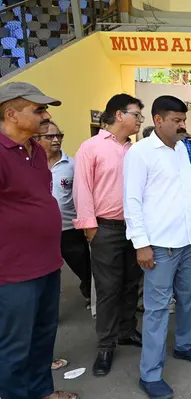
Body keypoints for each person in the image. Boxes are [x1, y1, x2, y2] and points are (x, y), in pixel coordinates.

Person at [124, 96, 191, 399]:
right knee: (157, 310)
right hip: (159, 246)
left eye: (183, 120)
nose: (182, 126)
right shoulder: (140, 153)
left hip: (187, 242)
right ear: (158, 120)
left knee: (188, 299)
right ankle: (149, 374)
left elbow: (187, 194)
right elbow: (132, 202)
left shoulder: (181, 150)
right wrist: (141, 245)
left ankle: (185, 346)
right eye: (176, 120)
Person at [0, 82, 79, 399]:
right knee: (14, 346)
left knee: (43, 337)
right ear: (11, 114)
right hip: (13, 272)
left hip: (47, 264)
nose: (46, 116)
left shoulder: (36, 152)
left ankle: (41, 392)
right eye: (38, 110)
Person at [74, 93, 145, 377]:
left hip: (135, 229)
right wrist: (90, 228)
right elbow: (81, 188)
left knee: (132, 283)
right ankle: (106, 345)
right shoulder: (91, 148)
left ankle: (127, 330)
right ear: (119, 115)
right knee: (107, 288)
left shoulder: (136, 151)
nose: (140, 120)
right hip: (106, 228)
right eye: (136, 115)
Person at [36, 120, 91, 306]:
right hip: (40, 231)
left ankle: (90, 294)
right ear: (36, 138)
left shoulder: (72, 165)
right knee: (43, 272)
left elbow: (82, 195)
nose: (56, 139)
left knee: (84, 266)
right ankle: (44, 306)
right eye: (50, 136)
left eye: (59, 135)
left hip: (68, 229)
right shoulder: (31, 164)